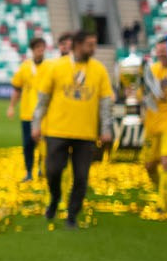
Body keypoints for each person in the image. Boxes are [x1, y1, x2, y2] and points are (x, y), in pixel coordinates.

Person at [31, 28, 114, 228]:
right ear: (78, 45)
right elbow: (43, 99)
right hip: (57, 131)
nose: (93, 48)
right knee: (52, 171)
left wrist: (106, 129)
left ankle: (72, 215)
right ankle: (55, 197)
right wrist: (36, 125)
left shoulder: (99, 69)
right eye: (90, 44)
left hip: (85, 134)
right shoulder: (56, 67)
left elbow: (105, 103)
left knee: (81, 177)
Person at [9, 36, 48, 182]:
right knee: (28, 144)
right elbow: (17, 89)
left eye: (43, 48)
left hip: (43, 114)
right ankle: (29, 172)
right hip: (27, 114)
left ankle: (41, 170)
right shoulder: (25, 67)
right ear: (33, 50)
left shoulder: (49, 67)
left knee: (43, 144)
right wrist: (12, 106)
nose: (41, 51)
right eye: (38, 48)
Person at [141, 36, 167, 210]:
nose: (160, 53)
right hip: (152, 123)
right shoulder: (151, 71)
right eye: (158, 50)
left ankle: (162, 202)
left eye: (163, 50)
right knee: (149, 166)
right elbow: (142, 95)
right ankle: (163, 191)